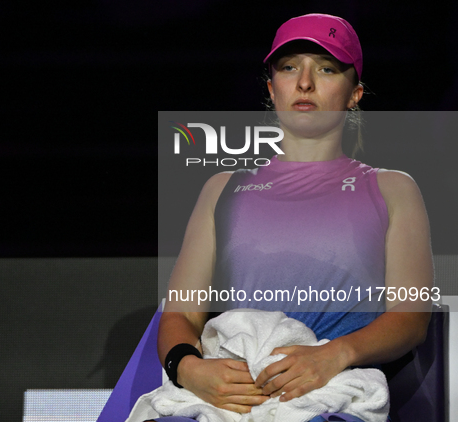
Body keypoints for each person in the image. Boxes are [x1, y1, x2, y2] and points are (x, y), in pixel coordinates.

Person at [151, 13, 433, 422]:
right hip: (227, 397)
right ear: (271, 87)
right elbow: (181, 313)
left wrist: (334, 355)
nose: (304, 82)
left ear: (354, 93)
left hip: (330, 397)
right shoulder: (222, 188)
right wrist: (190, 369)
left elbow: (411, 318)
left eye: (325, 68)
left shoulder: (393, 189)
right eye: (288, 68)